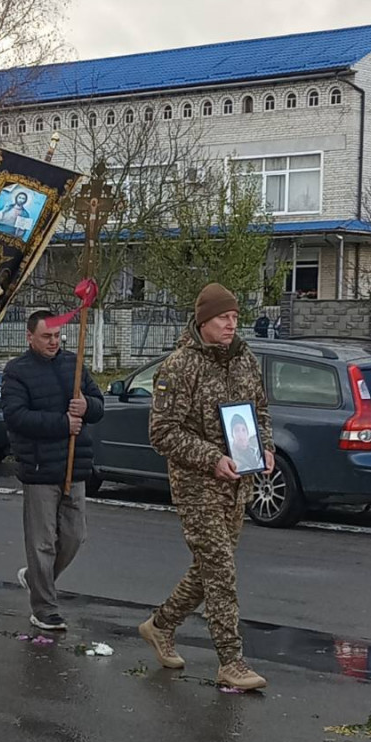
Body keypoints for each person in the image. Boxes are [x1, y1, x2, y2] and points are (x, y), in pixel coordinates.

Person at [138, 282, 274, 692]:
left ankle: (160, 625)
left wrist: (264, 446)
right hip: (197, 484)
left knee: (210, 570)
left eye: (234, 317)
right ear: (203, 322)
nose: (231, 325)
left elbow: (260, 410)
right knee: (220, 570)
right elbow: (162, 432)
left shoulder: (244, 359)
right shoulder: (180, 366)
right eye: (223, 318)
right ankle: (231, 662)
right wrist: (210, 458)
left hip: (238, 482)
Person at [2, 308, 104, 631]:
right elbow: (16, 417)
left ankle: (36, 577)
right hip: (39, 467)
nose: (53, 342)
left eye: (57, 336)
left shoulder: (72, 364)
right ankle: (44, 607)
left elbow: (98, 404)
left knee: (75, 536)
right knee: (42, 541)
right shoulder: (16, 372)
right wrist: (63, 423)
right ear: (29, 337)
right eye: (46, 337)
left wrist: (87, 406)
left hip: (74, 467)